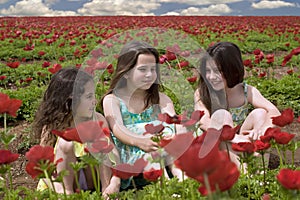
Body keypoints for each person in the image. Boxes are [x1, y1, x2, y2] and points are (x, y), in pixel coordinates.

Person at [101, 40, 185, 190]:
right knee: (151, 134)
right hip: (131, 152)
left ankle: (179, 175)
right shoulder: (113, 99)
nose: (149, 75)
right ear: (126, 72)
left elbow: (173, 121)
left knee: (170, 130)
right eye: (143, 69)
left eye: (153, 69)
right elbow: (117, 128)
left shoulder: (161, 98)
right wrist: (139, 141)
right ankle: (167, 185)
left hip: (164, 152)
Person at [33, 67, 120, 197]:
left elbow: (113, 153)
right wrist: (58, 188)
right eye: (89, 96)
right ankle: (67, 194)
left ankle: (106, 191)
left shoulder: (98, 119)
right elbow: (41, 165)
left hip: (93, 178)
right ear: (70, 100)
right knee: (65, 143)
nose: (94, 101)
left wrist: (115, 181)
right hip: (63, 181)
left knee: (101, 142)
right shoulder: (52, 126)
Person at [194, 41, 280, 166]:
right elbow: (204, 121)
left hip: (242, 142)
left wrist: (261, 131)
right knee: (222, 115)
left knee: (260, 113)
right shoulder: (202, 92)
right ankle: (243, 174)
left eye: (218, 71)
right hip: (216, 145)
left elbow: (274, 111)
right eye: (207, 71)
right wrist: (232, 137)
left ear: (232, 69)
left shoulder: (246, 91)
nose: (211, 77)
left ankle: (260, 168)